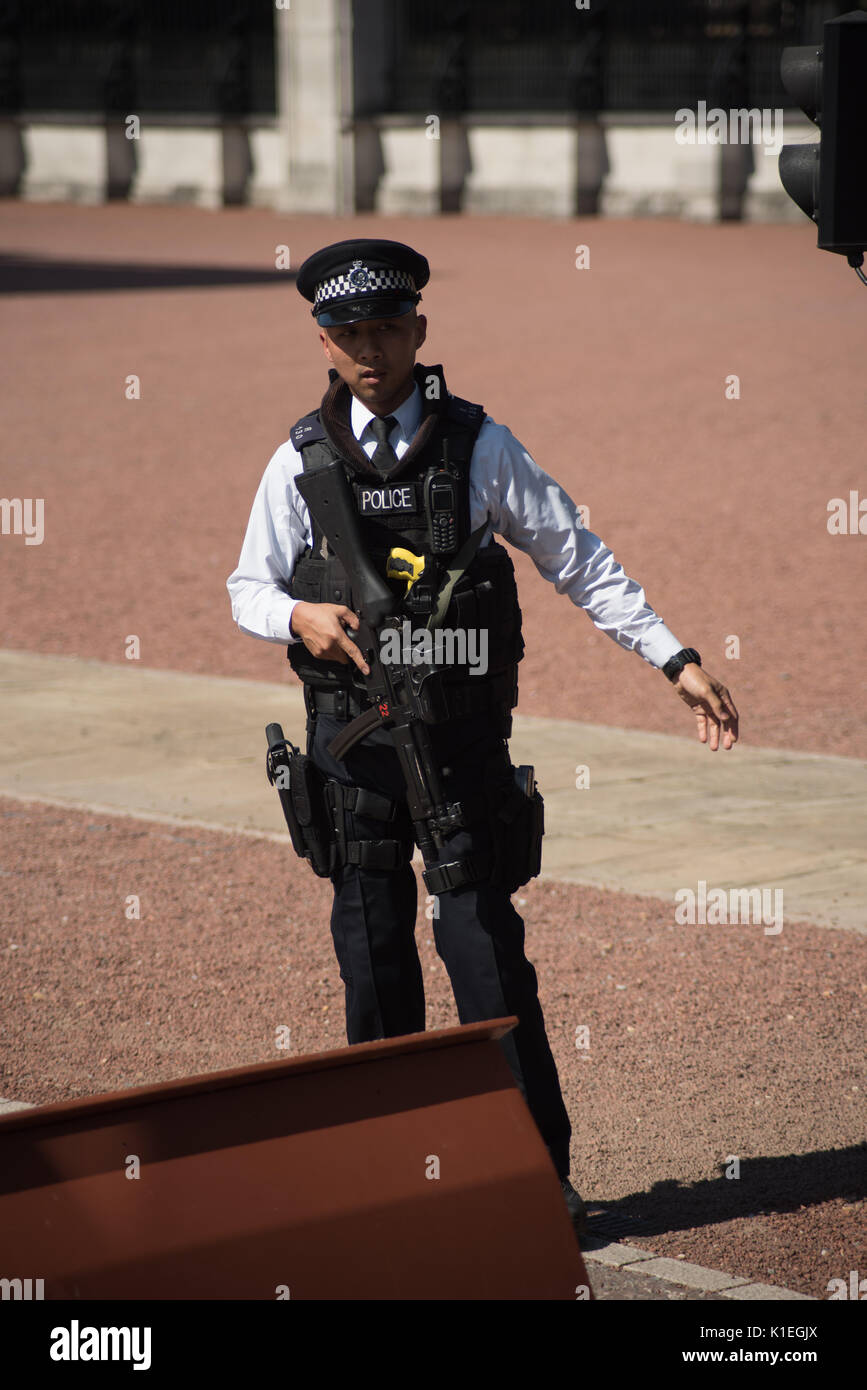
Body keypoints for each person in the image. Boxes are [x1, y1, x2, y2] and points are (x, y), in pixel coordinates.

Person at [227, 238, 739, 1239]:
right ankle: (383, 1182)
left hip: (460, 751)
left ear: (420, 330)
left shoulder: (478, 445)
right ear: (323, 341)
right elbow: (249, 583)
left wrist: (674, 658)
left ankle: (534, 1179)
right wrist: (297, 618)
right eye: (348, 332)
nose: (369, 348)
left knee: (487, 958)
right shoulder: (297, 459)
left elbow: (576, 556)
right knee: (374, 964)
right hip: (351, 755)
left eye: (387, 327)